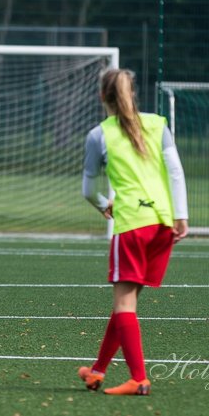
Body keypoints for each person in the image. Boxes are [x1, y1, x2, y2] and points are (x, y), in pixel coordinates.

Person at [77, 68, 188, 396]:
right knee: (124, 305)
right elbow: (176, 171)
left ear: (102, 97)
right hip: (162, 224)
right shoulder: (157, 123)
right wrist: (181, 216)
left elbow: (87, 190)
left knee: (125, 306)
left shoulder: (100, 134)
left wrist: (103, 205)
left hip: (131, 225)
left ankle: (139, 378)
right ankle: (97, 371)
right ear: (133, 94)